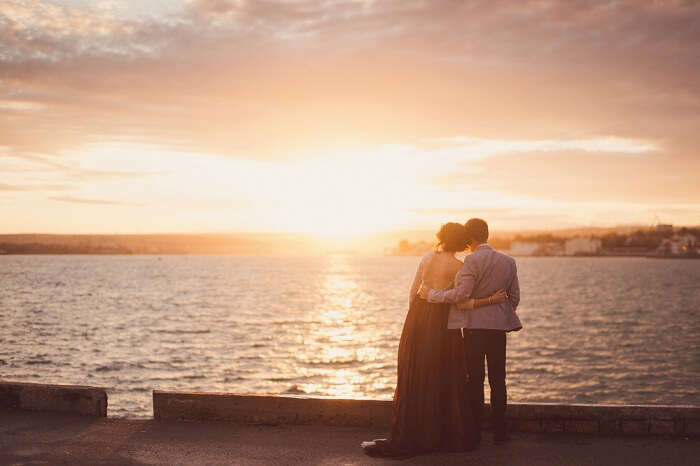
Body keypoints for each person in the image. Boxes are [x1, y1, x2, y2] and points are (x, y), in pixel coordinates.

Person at [362, 222, 508, 457]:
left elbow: (413, 290)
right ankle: (439, 431)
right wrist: (489, 301)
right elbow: (460, 300)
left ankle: (412, 430)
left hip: (418, 316)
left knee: (417, 372)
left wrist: (415, 319)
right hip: (442, 323)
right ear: (462, 241)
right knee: (443, 374)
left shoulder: (427, 256)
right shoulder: (460, 266)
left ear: (441, 236)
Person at [420, 218, 521, 444]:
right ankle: (500, 433)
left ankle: (475, 432)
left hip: (474, 329)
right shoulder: (509, 261)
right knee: (498, 380)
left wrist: (432, 295)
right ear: (486, 234)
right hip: (498, 329)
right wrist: (499, 315)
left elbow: (460, 296)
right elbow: (514, 298)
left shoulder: (469, 263)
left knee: (475, 380)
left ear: (471, 238)